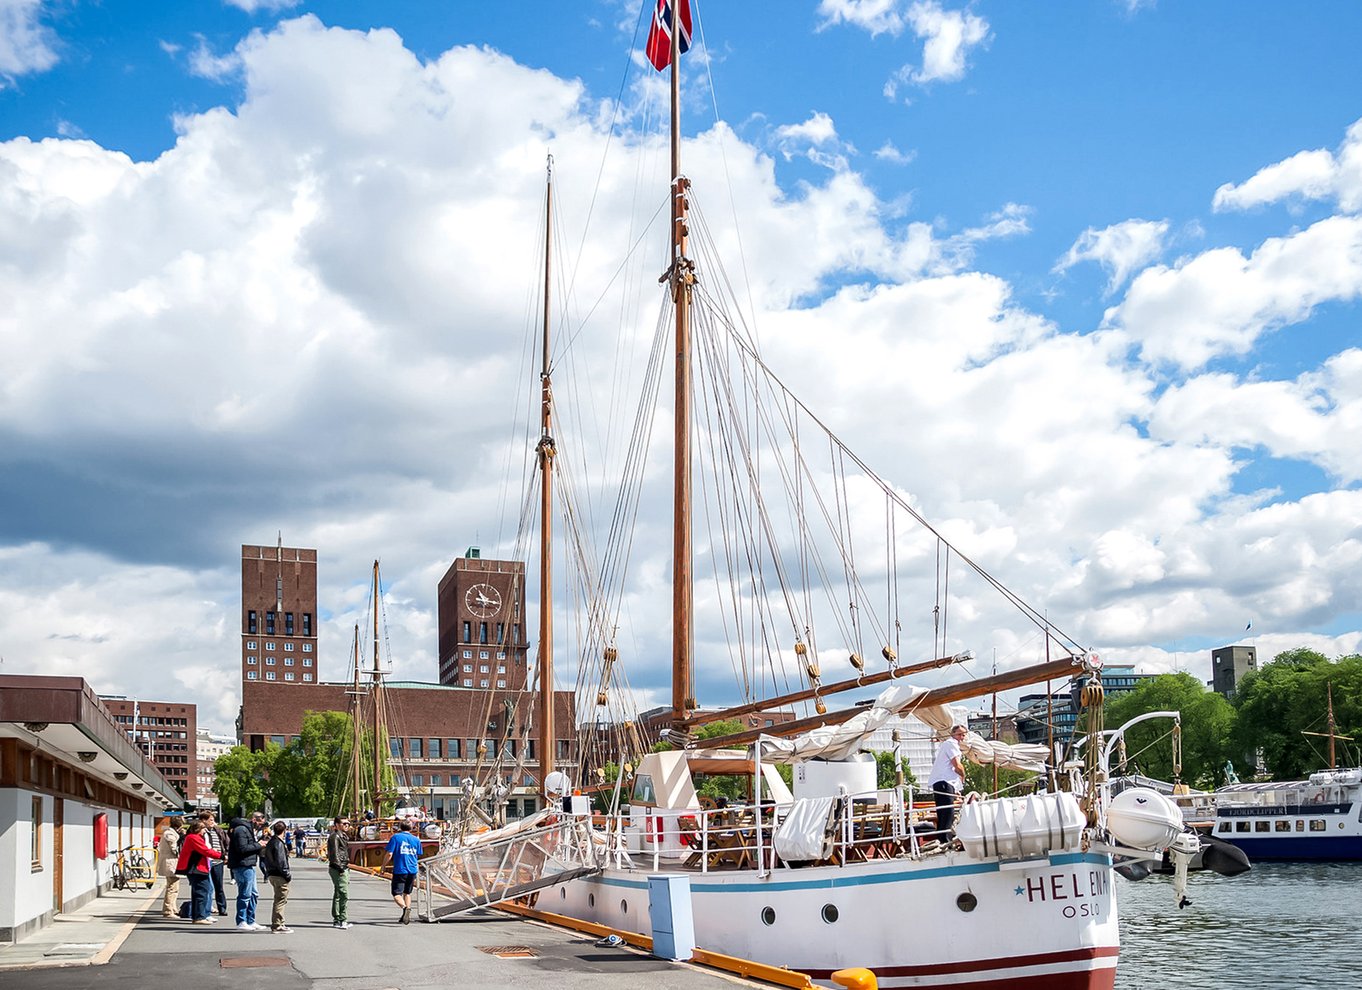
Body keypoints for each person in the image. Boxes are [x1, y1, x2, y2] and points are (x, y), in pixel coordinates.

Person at [176, 820, 223, 924]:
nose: (205, 830)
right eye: (203, 828)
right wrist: (221, 856)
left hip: (197, 868)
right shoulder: (193, 838)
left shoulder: (192, 837)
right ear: (197, 829)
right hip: (196, 868)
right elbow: (205, 850)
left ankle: (197, 915)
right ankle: (199, 917)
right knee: (202, 892)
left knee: (199, 891)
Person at [227, 810, 266, 931]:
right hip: (242, 865)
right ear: (254, 820)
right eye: (260, 824)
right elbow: (242, 848)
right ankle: (241, 920)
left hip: (248, 864)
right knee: (245, 894)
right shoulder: (241, 830)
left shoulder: (247, 830)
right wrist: (259, 845)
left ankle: (250, 919)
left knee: (254, 894)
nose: (260, 827)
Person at [929, 724, 969, 836]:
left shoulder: (947, 745)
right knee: (947, 813)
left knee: (943, 813)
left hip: (942, 782)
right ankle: (945, 840)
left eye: (964, 735)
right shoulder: (951, 744)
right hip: (944, 782)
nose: (962, 737)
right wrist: (963, 777)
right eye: (960, 734)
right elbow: (957, 765)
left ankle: (942, 839)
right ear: (953, 734)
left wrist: (957, 787)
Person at [381, 819, 422, 924]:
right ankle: (406, 915)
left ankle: (405, 908)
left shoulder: (395, 837)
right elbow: (417, 854)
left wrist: (383, 866)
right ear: (411, 828)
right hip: (412, 869)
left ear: (400, 827)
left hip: (400, 869)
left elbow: (389, 853)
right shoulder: (416, 840)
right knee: (407, 893)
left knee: (396, 893)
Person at [259, 820, 294, 934]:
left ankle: (277, 923)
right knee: (281, 900)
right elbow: (281, 861)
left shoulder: (271, 842)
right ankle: (278, 924)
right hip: (279, 874)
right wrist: (287, 875)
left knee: (278, 899)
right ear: (284, 830)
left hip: (272, 874)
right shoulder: (279, 843)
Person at [198, 810, 229, 916]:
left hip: (218, 861)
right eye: (210, 820)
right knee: (208, 887)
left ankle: (222, 907)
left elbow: (226, 842)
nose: (213, 822)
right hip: (206, 862)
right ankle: (207, 909)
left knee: (219, 886)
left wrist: (225, 854)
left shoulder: (218, 830)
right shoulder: (201, 831)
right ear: (203, 820)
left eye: (213, 819)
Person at [326, 816, 351, 929]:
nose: (347, 825)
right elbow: (334, 854)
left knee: (338, 893)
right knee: (343, 893)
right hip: (338, 868)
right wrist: (341, 868)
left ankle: (337, 919)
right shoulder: (335, 837)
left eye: (348, 823)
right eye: (344, 823)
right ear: (336, 825)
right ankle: (342, 919)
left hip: (342, 866)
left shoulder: (343, 836)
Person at [157, 819, 182, 918]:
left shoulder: (169, 833)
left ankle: (173, 908)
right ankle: (168, 910)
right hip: (170, 862)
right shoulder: (170, 834)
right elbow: (174, 849)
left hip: (171, 862)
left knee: (175, 887)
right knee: (172, 887)